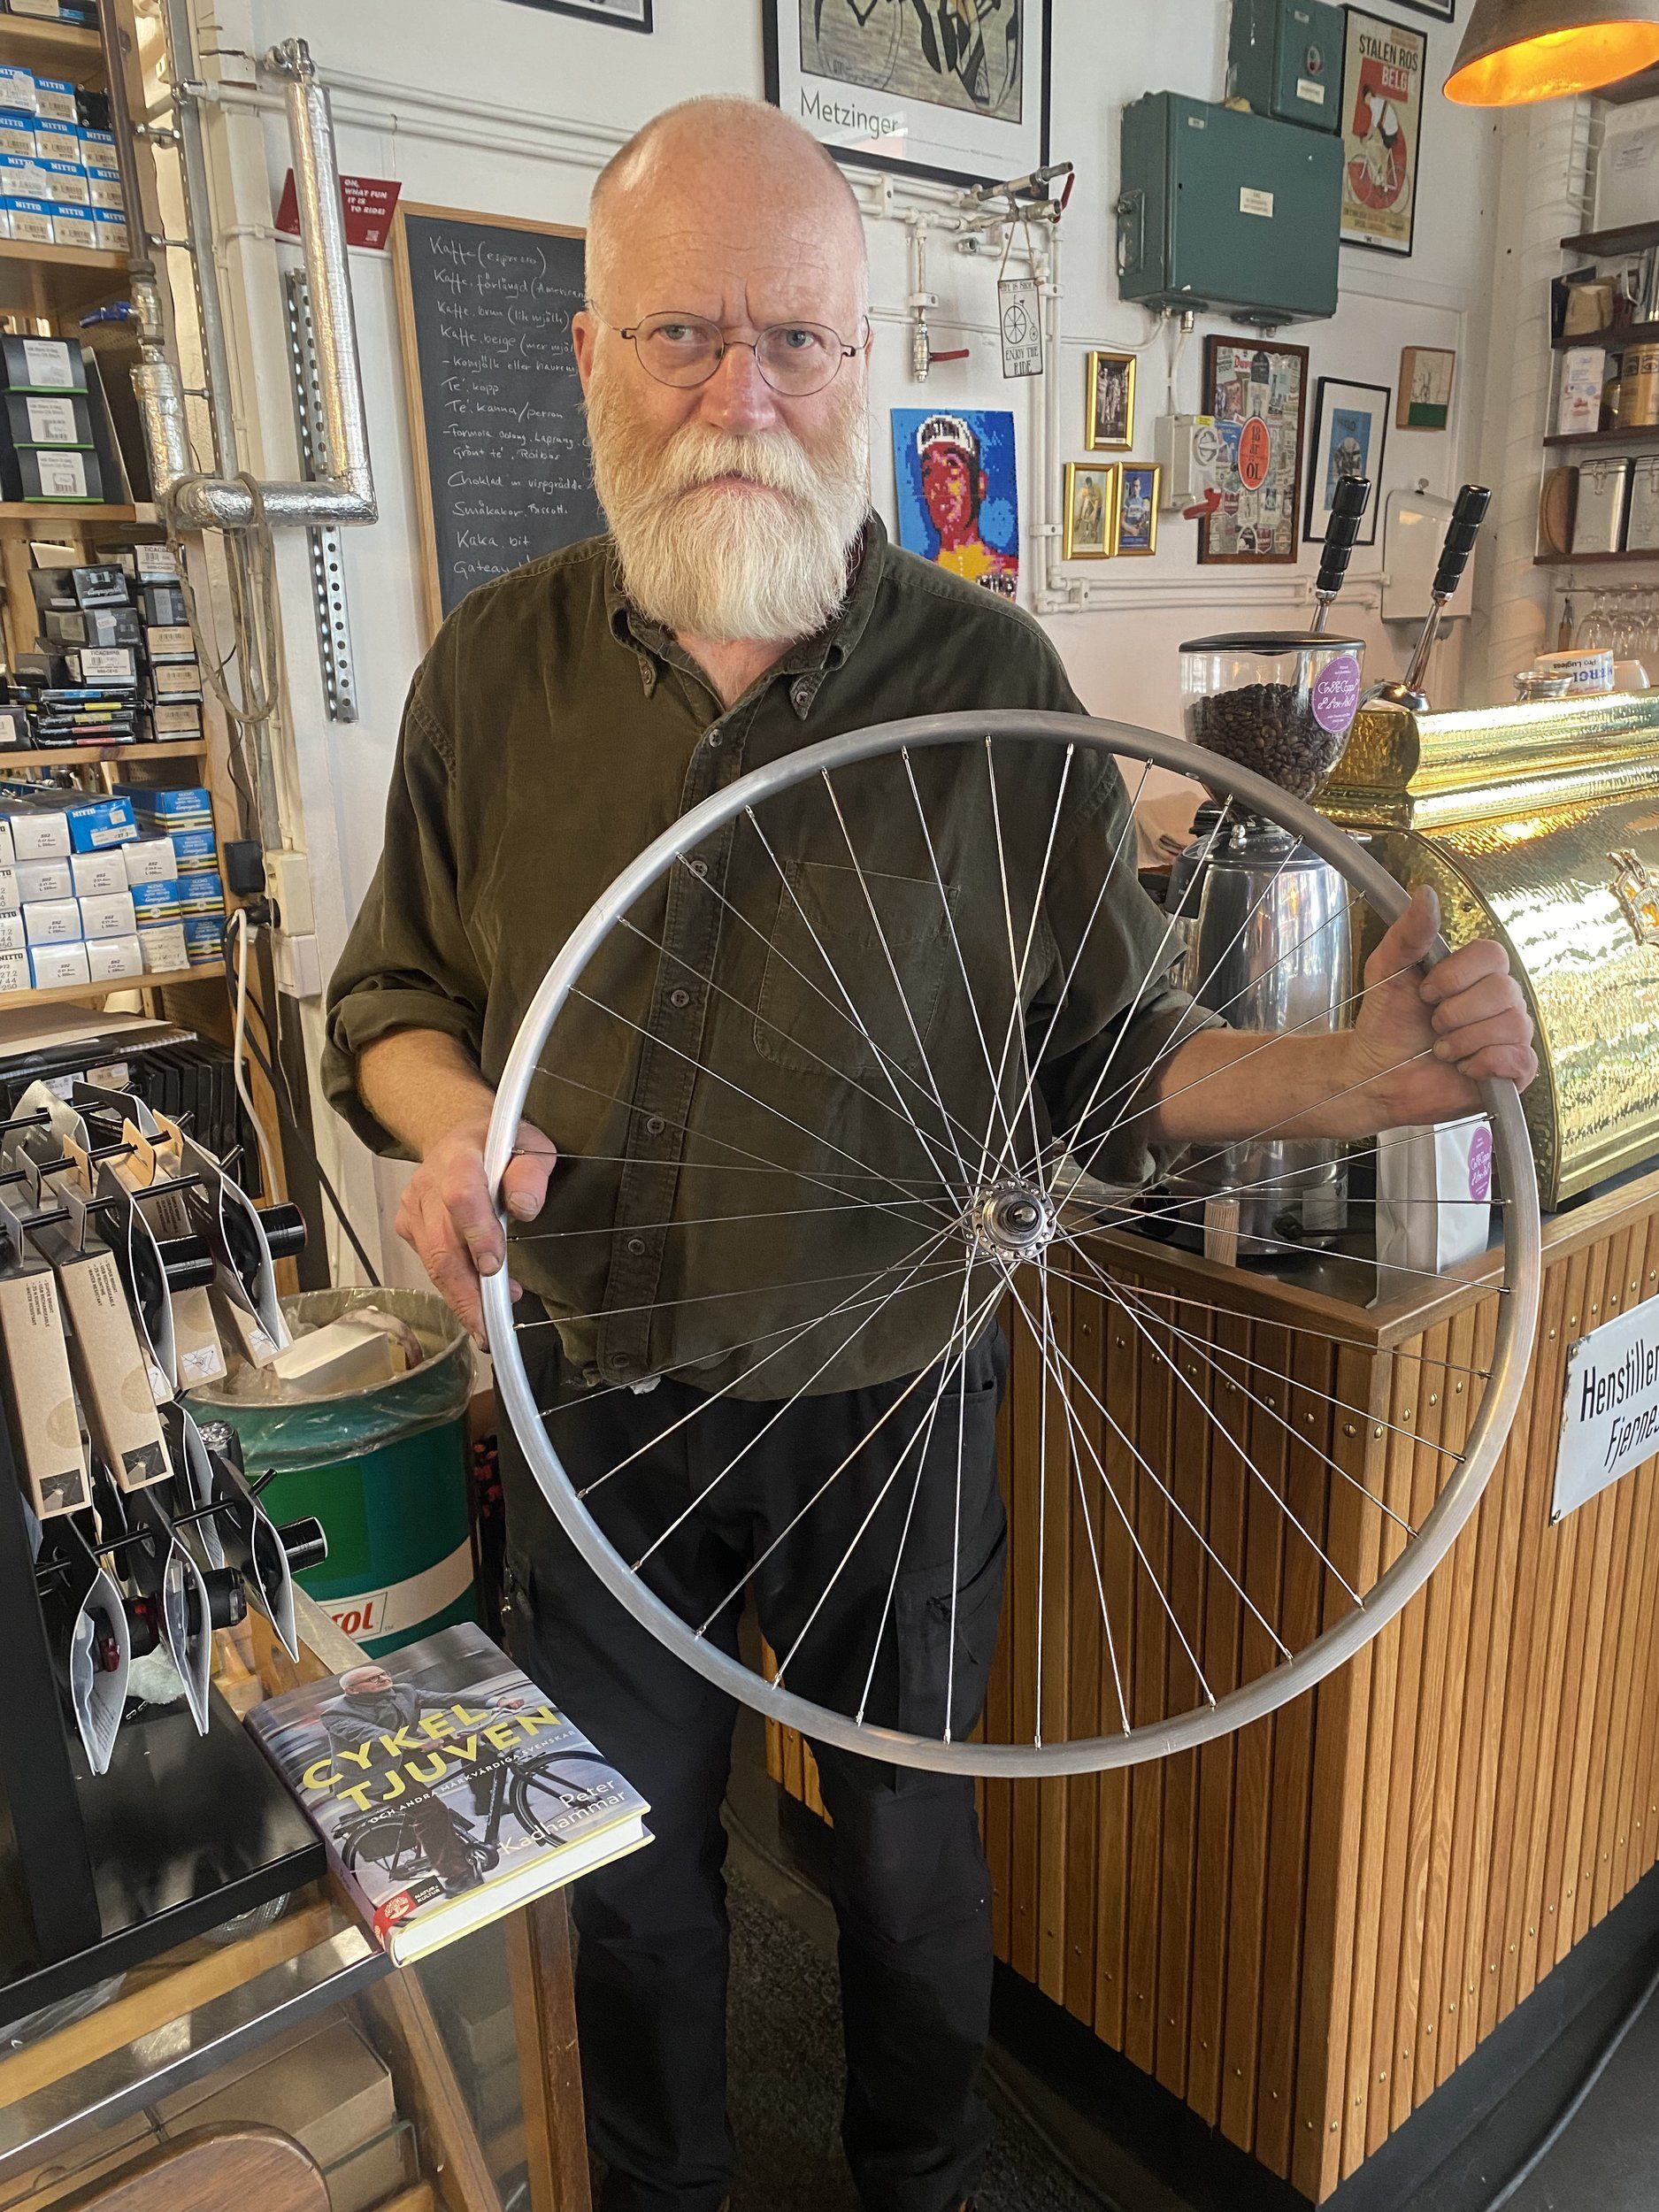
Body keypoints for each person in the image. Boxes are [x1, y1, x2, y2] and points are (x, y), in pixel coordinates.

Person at [323, 96, 1536, 2212]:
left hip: (890, 1390)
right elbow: (390, 1002)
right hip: (596, 1386)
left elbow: (1106, 1064)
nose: (742, 395)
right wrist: (454, 1131)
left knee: (900, 1856)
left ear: (859, 360)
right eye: (683, 333)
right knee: (628, 1877)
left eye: (795, 338)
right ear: (590, 353)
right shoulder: (490, 673)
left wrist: (1351, 1081)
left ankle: (929, 2179)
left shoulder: (986, 683)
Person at [914, 411, 1018, 596]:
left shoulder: (1009, 572)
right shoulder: (918, 585)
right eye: (929, 470)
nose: (939, 482)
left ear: (980, 484)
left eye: (952, 464)